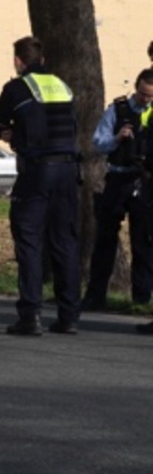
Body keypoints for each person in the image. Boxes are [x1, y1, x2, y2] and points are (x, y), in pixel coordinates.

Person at [0, 35, 80, 336]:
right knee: (64, 241)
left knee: (29, 241)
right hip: (68, 171)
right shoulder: (63, 86)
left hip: (37, 172)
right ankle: (69, 316)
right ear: (42, 60)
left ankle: (30, 315)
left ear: (18, 61)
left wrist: (13, 134)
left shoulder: (16, 88)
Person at [82, 69, 153, 310]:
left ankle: (141, 299)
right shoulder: (118, 110)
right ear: (136, 88)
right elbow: (98, 142)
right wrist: (116, 138)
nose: (146, 100)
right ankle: (95, 296)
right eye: (143, 94)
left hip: (142, 181)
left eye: (150, 96)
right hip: (117, 178)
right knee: (105, 240)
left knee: (143, 242)